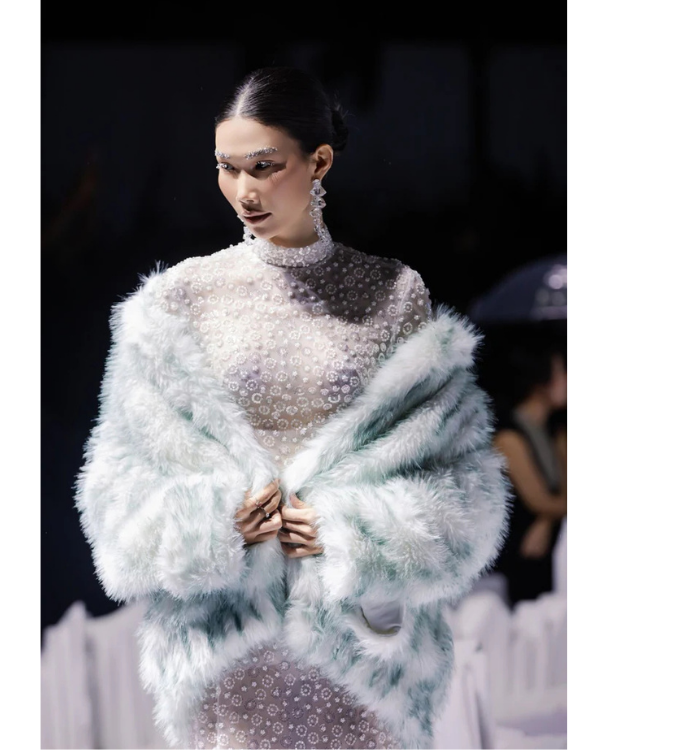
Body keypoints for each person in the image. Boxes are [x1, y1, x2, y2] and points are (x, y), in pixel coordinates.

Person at [75, 67, 510, 749]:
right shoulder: (182, 297)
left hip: (357, 641)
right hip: (229, 640)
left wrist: (353, 532)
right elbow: (117, 485)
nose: (243, 191)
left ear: (320, 161)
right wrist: (214, 524)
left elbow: (460, 483)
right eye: (226, 168)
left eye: (264, 166)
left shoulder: (393, 292)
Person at [484, 329, 567, 606]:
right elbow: (539, 501)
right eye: (562, 372)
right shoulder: (509, 436)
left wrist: (546, 520)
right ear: (542, 380)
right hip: (520, 558)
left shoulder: (556, 431)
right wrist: (547, 514)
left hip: (551, 548)